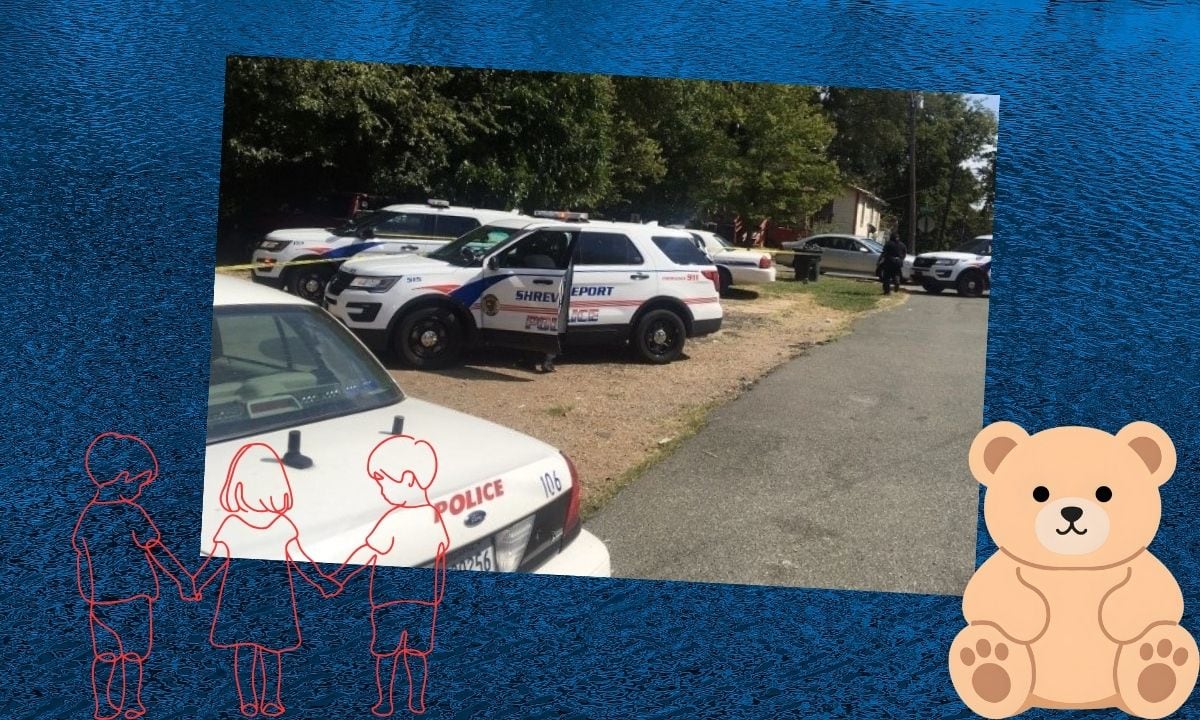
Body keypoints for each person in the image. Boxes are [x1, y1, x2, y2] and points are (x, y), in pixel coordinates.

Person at [191, 443, 338, 719]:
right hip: (243, 600)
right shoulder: (232, 525)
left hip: (271, 600)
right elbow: (216, 562)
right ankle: (248, 700)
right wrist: (197, 582)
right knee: (248, 653)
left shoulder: (281, 526)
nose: (266, 500)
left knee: (270, 654)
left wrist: (322, 580)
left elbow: (301, 559)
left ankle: (270, 699)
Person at [72, 432, 193, 720]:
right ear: (123, 476)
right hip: (134, 596)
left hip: (99, 600)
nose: (140, 488)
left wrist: (88, 589)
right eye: (140, 481)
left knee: (105, 655)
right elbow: (157, 550)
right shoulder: (131, 512)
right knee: (133, 654)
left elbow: (81, 552)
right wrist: (183, 579)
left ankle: (104, 705)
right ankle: (130, 704)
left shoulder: (88, 514)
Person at [331, 434, 449, 717]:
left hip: (390, 601)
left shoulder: (392, 520)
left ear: (407, 479)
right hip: (424, 602)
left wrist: (338, 576)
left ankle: (385, 701)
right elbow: (441, 555)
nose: (381, 489)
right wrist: (438, 595)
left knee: (386, 656)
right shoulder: (435, 515)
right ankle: (416, 701)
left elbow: (365, 552)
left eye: (383, 481)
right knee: (417, 655)